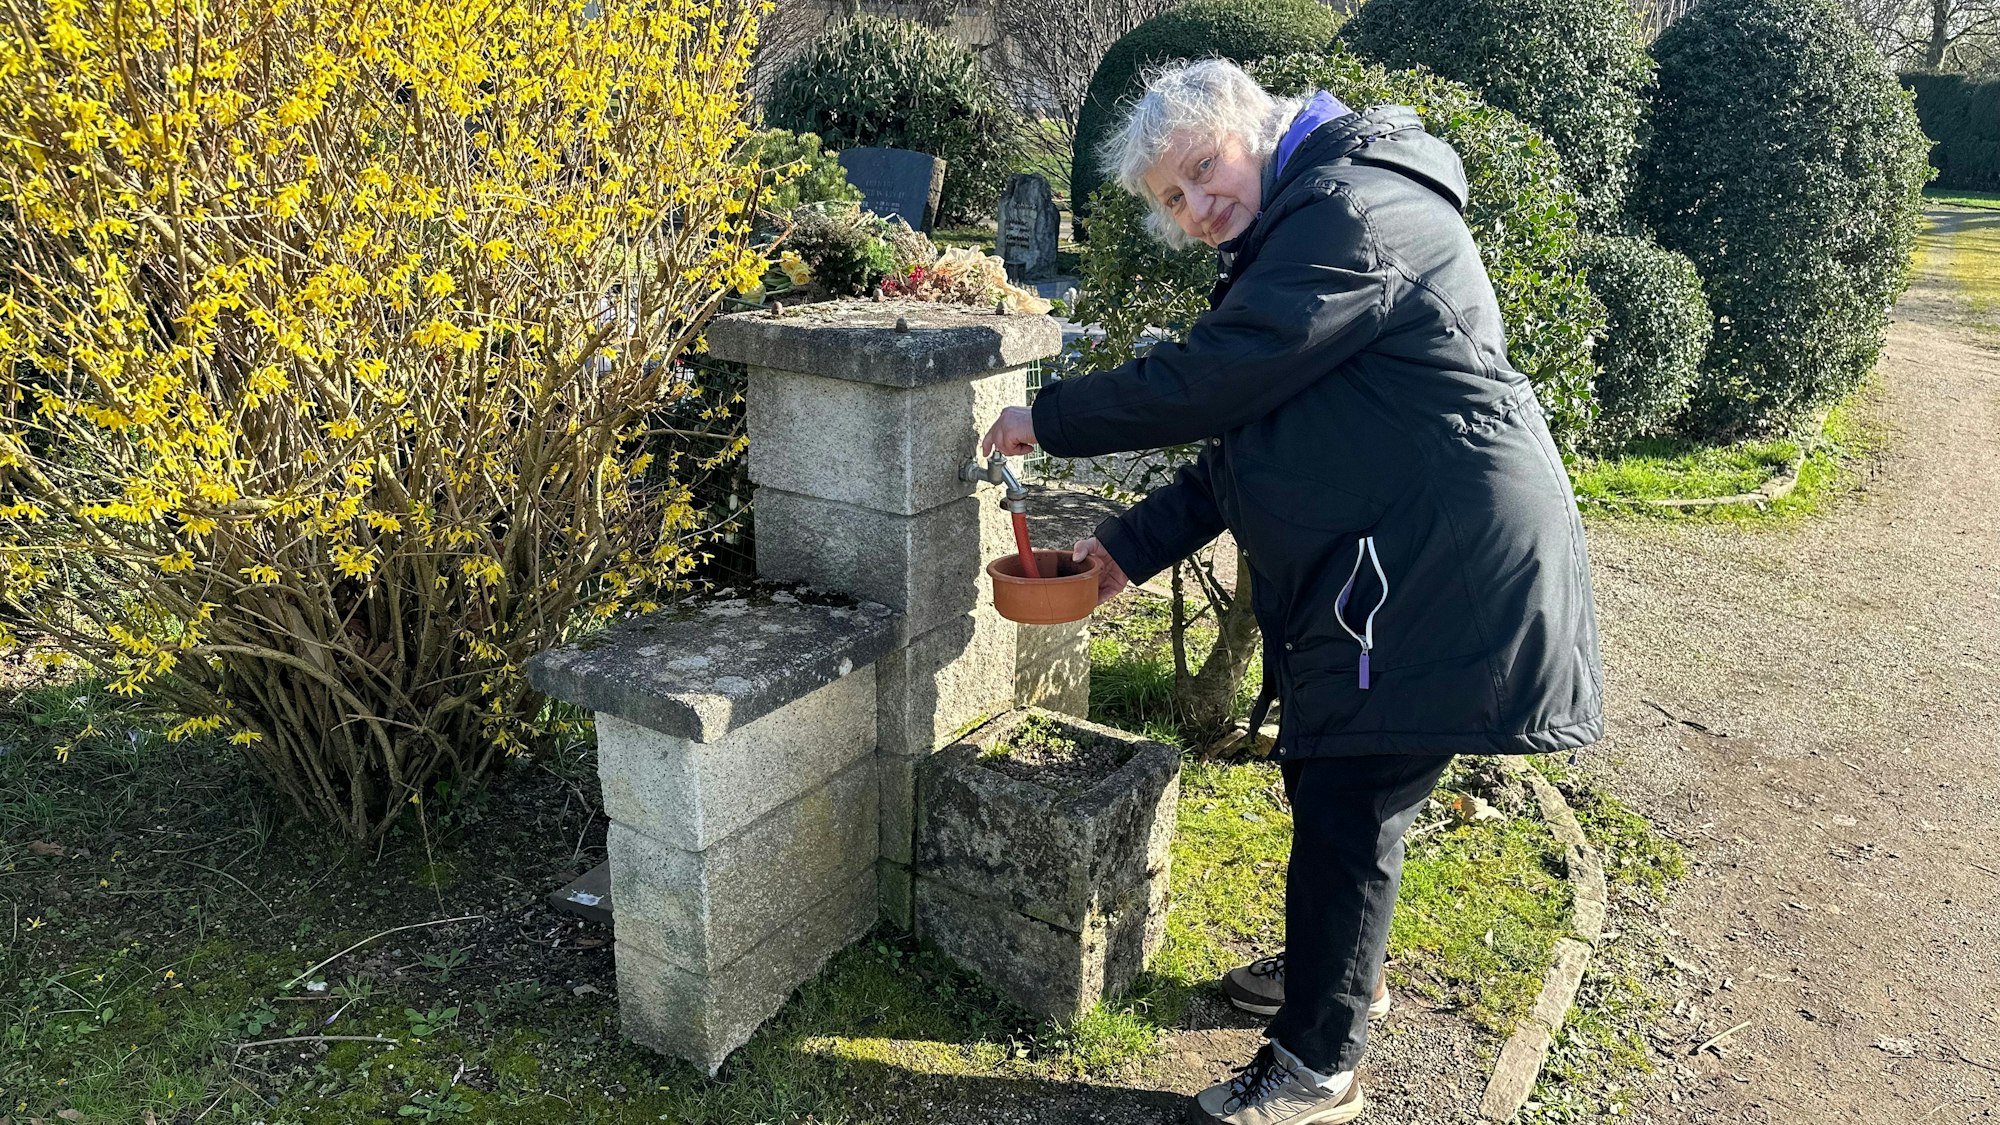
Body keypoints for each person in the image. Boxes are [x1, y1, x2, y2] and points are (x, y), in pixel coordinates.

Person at [981, 59, 1603, 1124]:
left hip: (1433, 565)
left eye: (1203, 171)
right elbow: (1252, 443)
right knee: (1336, 791)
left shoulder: (1351, 216)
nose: (1197, 207)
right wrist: (1126, 549)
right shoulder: (1310, 221)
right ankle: (1334, 976)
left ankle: (1317, 1061)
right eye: (1173, 201)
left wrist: (1054, 416)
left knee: (1348, 800)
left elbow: (1217, 377)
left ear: (1254, 129)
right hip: (1399, 552)